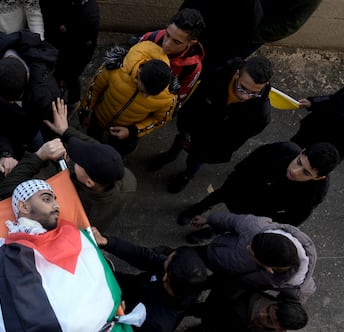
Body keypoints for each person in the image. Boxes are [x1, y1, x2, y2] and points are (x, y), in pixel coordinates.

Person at [0, 179, 155, 332]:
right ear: (23, 206)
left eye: (55, 199)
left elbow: (104, 283)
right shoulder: (3, 255)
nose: (56, 205)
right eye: (46, 198)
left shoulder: (78, 235)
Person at [149, 55, 273, 193]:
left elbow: (235, 141)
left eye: (254, 93)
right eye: (243, 88)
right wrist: (184, 126)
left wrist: (213, 153)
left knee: (195, 162)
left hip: (211, 146)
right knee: (178, 143)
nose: (245, 96)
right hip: (192, 128)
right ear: (237, 73)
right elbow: (194, 101)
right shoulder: (217, 74)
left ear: (265, 85)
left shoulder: (260, 115)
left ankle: (186, 176)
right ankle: (170, 156)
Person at [0, 98, 126, 231]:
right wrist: (66, 131)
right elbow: (97, 149)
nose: (74, 159)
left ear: (89, 182)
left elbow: (8, 189)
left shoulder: (71, 206)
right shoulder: (121, 177)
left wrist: (39, 156)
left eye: (79, 161)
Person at [177, 141, 340, 244]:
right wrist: (234, 179)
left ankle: (211, 230)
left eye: (305, 173)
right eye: (298, 162)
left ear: (319, 177)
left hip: (261, 209)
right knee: (218, 195)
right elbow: (249, 162)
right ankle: (195, 210)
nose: (294, 171)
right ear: (301, 152)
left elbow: (293, 218)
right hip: (242, 185)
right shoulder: (282, 149)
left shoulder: (314, 193)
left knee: (235, 223)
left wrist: (264, 220)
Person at [93, 228, 208, 332]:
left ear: (166, 278)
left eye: (166, 260)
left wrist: (120, 316)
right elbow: (143, 256)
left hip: (112, 314)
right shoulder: (176, 274)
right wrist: (108, 242)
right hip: (125, 285)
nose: (163, 260)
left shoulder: (158, 325)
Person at [191, 212, 316, 304]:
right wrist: (209, 219)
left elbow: (295, 300)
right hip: (216, 255)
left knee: (210, 286)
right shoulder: (257, 228)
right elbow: (230, 220)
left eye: (252, 253)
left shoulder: (296, 286)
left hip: (234, 284)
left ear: (269, 268)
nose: (247, 248)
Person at [78, 41, 177, 156]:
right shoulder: (116, 68)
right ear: (139, 73)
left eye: (151, 95)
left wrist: (132, 131)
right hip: (99, 117)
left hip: (126, 131)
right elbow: (94, 88)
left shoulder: (168, 98)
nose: (145, 97)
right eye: (143, 91)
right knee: (91, 141)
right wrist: (85, 111)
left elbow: (158, 120)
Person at [0, 29, 61, 163]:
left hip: (33, 125)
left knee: (38, 142)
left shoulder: (45, 94)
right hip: (8, 123)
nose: (11, 102)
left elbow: (53, 123)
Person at [179, 0, 321, 69]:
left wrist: (251, 34)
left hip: (247, 34)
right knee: (186, 42)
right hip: (223, 14)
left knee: (212, 64)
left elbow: (290, 24)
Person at [184, 278, 308, 332]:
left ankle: (202, 328)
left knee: (207, 325)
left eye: (269, 320)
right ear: (276, 303)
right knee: (197, 310)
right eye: (268, 309)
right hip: (218, 309)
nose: (261, 313)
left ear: (281, 329)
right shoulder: (248, 297)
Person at [138, 7, 206, 106]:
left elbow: (177, 99)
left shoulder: (193, 67)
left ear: (191, 43)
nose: (166, 44)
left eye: (176, 42)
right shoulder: (150, 37)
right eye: (167, 35)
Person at [39, 0, 100, 105]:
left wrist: (68, 75)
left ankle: (72, 102)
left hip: (70, 55)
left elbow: (83, 53)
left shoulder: (88, 15)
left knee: (70, 82)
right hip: (55, 42)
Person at [291, 86, 344, 160]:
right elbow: (335, 98)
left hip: (333, 145)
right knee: (291, 150)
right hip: (316, 127)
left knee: (312, 164)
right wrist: (313, 102)